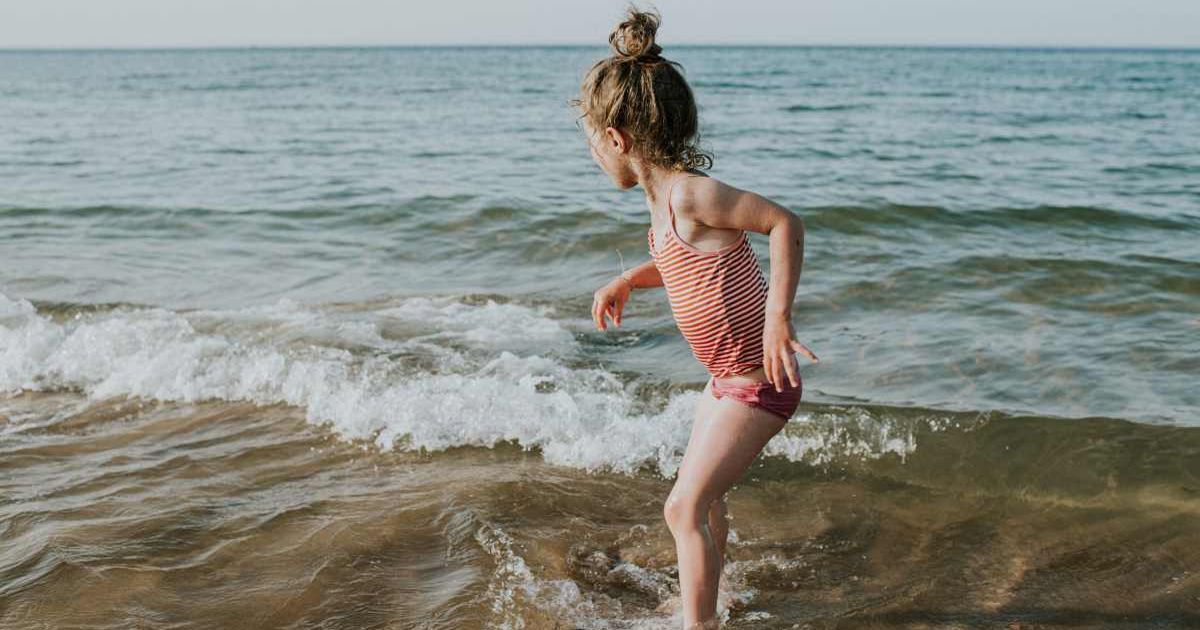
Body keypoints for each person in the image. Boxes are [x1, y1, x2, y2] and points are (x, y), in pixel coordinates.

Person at [574, 6, 820, 629]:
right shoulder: (664, 213)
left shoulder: (689, 194)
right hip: (725, 380)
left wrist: (777, 318)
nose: (595, 156)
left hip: (760, 380)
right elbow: (683, 266)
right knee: (705, 503)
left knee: (683, 508)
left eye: (592, 143)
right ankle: (705, 597)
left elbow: (784, 223)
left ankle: (699, 624)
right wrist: (629, 277)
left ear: (618, 140)